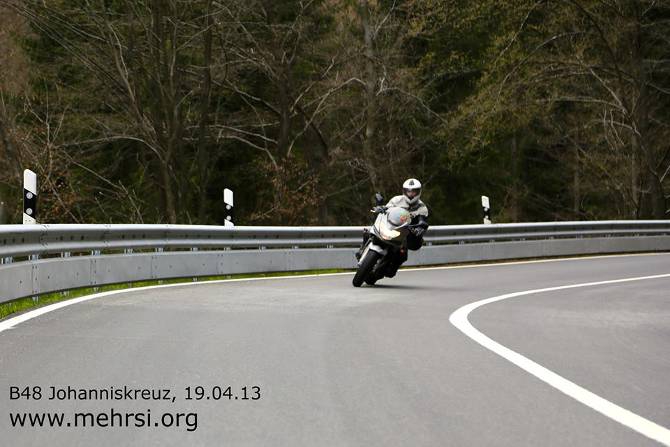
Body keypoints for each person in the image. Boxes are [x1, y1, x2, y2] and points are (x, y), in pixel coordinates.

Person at [357, 178, 430, 277]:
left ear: (418, 192)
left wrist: (420, 228)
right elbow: (387, 208)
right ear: (404, 191)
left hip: (404, 233)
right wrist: (381, 207)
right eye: (408, 191)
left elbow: (423, 221)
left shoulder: (422, 207)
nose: (411, 194)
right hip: (390, 225)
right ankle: (362, 248)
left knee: (402, 253)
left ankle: (391, 268)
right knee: (368, 231)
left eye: (413, 192)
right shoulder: (397, 199)